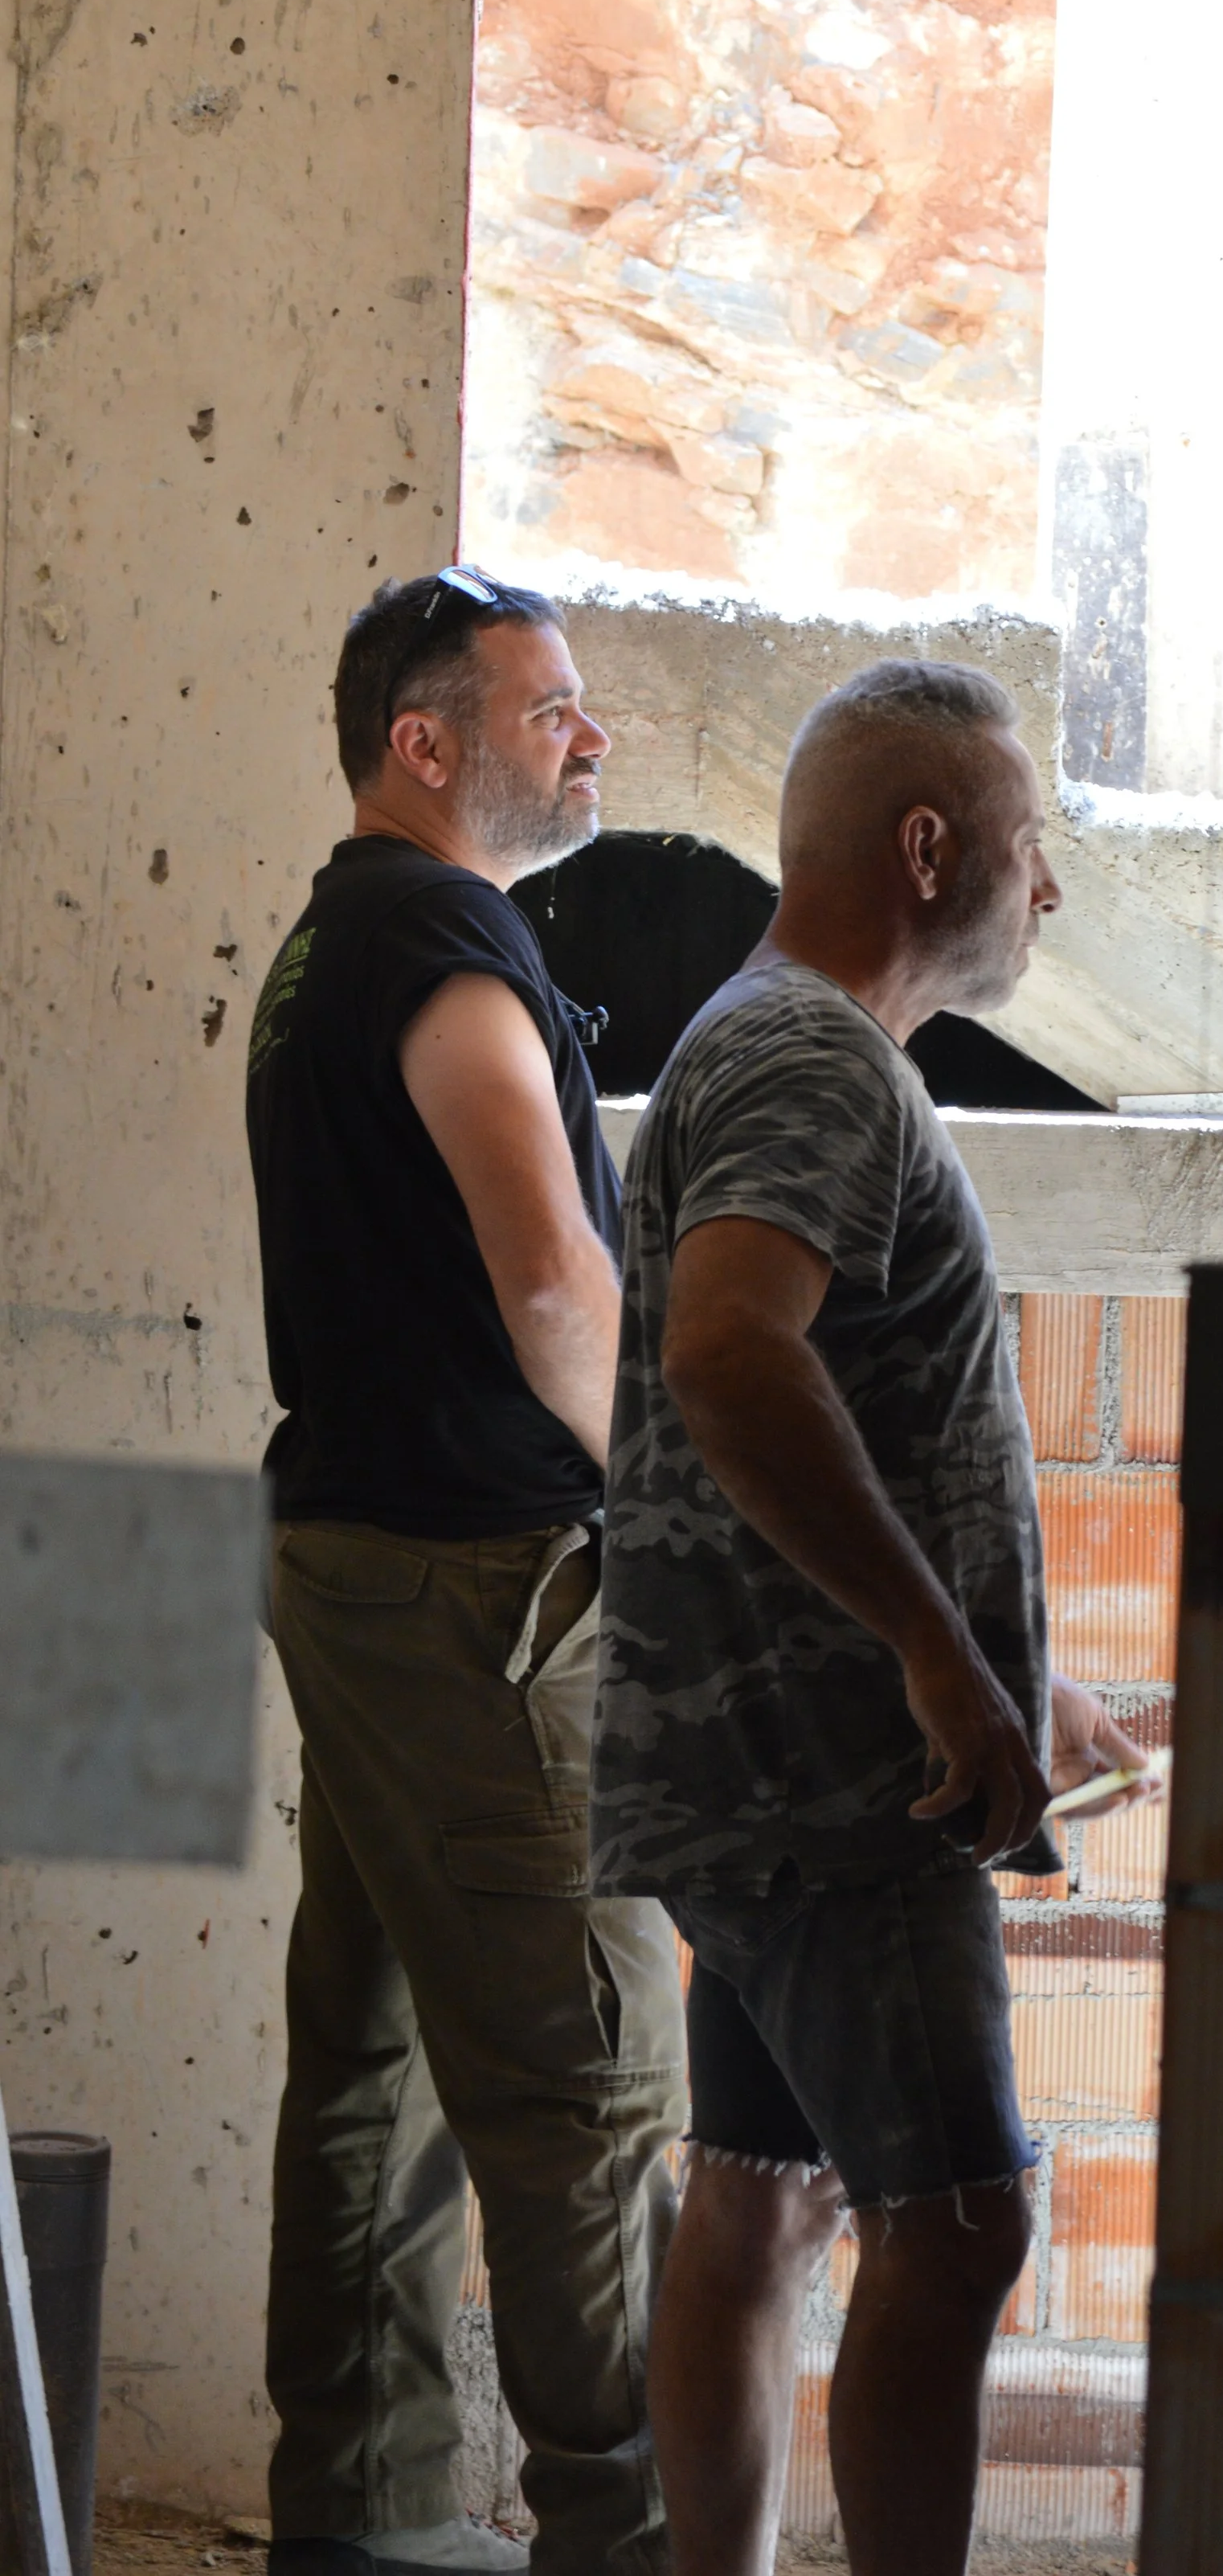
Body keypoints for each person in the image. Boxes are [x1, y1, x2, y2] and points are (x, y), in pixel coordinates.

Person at [591, 656, 1153, 2576]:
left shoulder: (761, 1038)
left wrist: (1015, 1670)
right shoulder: (817, 1056)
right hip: (834, 1789)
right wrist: (933, 1657)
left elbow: (816, 1402)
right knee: (964, 2219)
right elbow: (730, 1352)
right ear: (929, 849)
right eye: (1026, 847)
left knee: (753, 2192)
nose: (1043, 891)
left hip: (761, 1763)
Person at [245, 569, 687, 2576]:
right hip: (485, 1603)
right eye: (550, 709)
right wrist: (692, 1518)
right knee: (586, 2090)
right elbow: (547, 1279)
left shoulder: (333, 939)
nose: (588, 737)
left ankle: (368, 2511)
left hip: (358, 1568)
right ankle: (631, 2531)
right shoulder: (443, 937)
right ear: (427, 744)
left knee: (375, 2051)